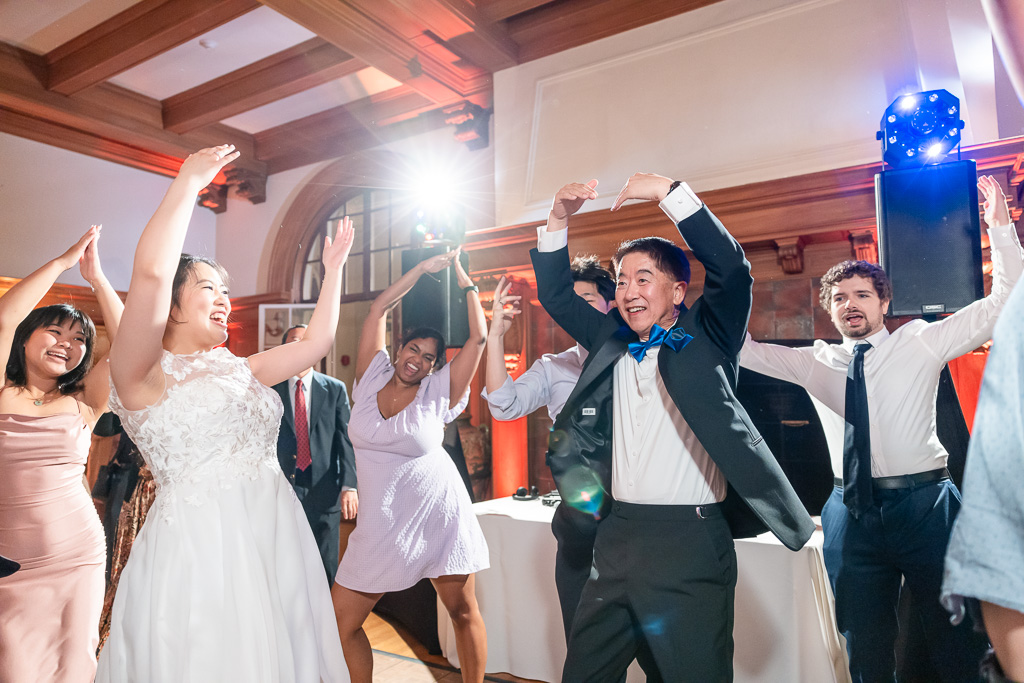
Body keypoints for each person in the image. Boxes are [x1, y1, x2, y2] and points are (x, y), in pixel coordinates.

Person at [531, 174, 814, 683]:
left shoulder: (707, 337)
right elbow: (554, 293)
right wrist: (558, 218)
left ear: (678, 290)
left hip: (691, 540)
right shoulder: (610, 339)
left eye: (643, 278)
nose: (627, 290)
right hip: (614, 536)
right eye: (620, 280)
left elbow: (732, 268)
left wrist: (669, 192)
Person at [740, 175, 1023, 682]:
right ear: (829, 309)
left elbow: (1005, 302)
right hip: (850, 511)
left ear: (883, 303)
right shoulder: (814, 363)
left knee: (958, 636)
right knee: (863, 641)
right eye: (841, 297)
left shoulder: (921, 342)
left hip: (926, 506)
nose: (852, 304)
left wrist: (1001, 231)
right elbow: (742, 352)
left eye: (863, 294)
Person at [97, 145, 353, 682]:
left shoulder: (243, 368)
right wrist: (189, 183)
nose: (224, 300)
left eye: (227, 291)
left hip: (274, 534)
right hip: (201, 545)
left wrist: (333, 272)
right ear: (171, 304)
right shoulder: (142, 376)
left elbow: (319, 340)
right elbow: (148, 274)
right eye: (209, 288)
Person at [330, 247, 489, 683]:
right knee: (340, 624)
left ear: (434, 367)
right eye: (412, 349)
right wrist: (420, 269)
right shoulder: (372, 373)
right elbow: (378, 307)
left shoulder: (438, 391)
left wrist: (465, 282)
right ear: (399, 348)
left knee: (460, 609)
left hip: (436, 511)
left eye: (427, 358)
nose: (416, 360)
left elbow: (479, 339)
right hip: (380, 523)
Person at [0, 225, 123, 683]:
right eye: (55, 332)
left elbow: (132, 344)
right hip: (10, 558)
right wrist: (63, 261)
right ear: (26, 338)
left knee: (74, 667)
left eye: (79, 340)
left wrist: (99, 281)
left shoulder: (87, 401)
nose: (67, 345)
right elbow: (4, 316)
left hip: (77, 556)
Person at [483, 257, 620, 640]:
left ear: (611, 305)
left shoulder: (634, 357)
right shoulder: (554, 367)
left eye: (588, 301)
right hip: (580, 523)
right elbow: (503, 404)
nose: (577, 311)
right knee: (584, 642)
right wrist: (495, 337)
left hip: (634, 519)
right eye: (571, 302)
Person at [273, 323, 358, 583]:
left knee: (325, 565)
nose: (301, 347)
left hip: (325, 489)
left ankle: (325, 622)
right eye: (295, 341)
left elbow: (346, 440)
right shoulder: (270, 388)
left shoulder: (335, 389)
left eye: (307, 341)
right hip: (282, 489)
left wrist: (349, 486)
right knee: (285, 562)